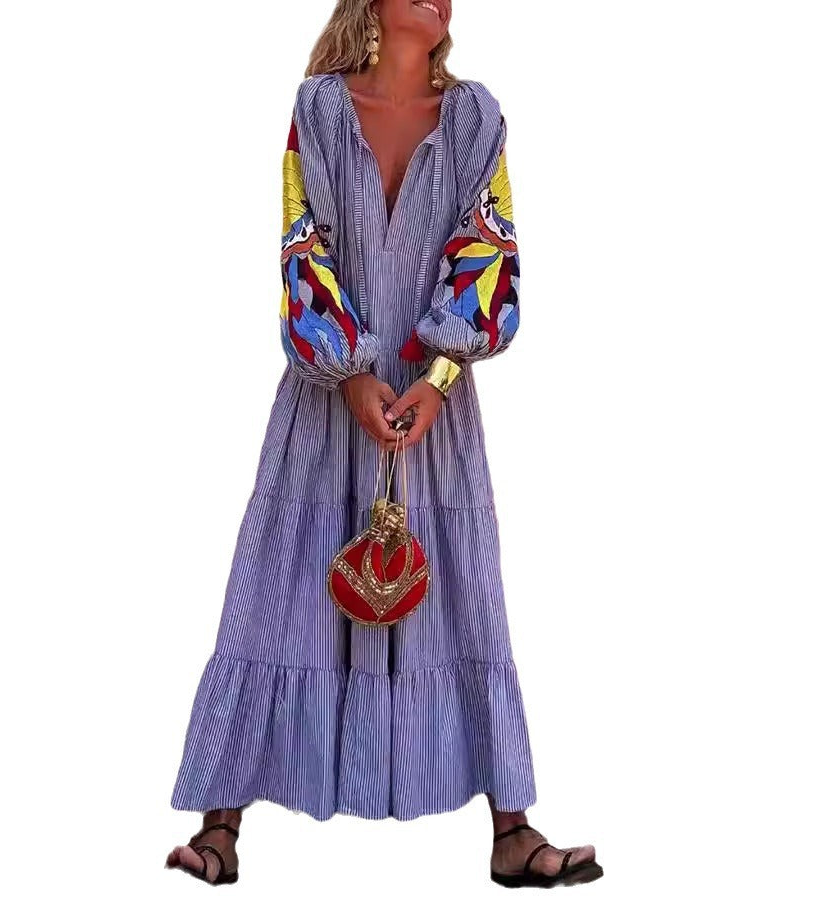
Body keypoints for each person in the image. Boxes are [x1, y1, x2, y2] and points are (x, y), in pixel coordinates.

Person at [165, 0, 602, 888]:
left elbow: (491, 253)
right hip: (328, 401)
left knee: (466, 599)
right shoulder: (320, 109)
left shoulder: (476, 118)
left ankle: (512, 832)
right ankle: (220, 827)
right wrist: (352, 373)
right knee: (277, 592)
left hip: (435, 410)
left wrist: (437, 379)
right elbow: (302, 247)